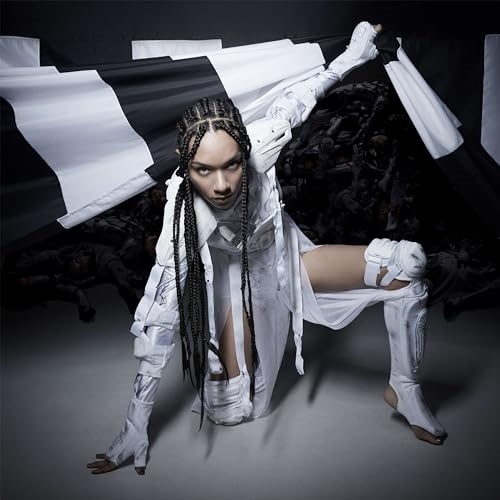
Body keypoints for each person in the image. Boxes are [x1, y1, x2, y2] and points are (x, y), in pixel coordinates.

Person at [87, 21, 447, 476]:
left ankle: (404, 388)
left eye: (232, 165)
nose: (221, 185)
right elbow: (158, 320)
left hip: (284, 259)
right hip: (231, 283)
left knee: (406, 265)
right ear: (185, 166)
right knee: (232, 409)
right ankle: (230, 365)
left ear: (245, 150)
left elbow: (306, 93)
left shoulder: (264, 141)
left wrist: (356, 53)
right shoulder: (184, 213)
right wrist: (135, 425)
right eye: (203, 170)